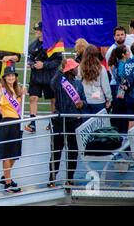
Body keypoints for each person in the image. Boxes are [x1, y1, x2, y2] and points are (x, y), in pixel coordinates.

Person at [48, 59, 86, 187]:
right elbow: (52, 84)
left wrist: (82, 103)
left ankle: (70, 178)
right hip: (59, 121)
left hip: (74, 121)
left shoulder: (79, 84)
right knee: (56, 150)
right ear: (70, 70)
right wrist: (60, 69)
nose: (77, 69)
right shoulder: (59, 82)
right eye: (75, 67)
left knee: (73, 151)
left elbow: (84, 100)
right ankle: (52, 178)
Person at [0, 65, 23, 193]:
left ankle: (6, 176)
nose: (11, 77)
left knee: (14, 154)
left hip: (16, 122)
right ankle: (8, 184)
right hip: (7, 123)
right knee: (7, 155)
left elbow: (19, 106)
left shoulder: (17, 89)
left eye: (13, 75)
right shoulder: (2, 90)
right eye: (8, 75)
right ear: (4, 78)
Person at [25, 21, 62, 133]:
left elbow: (58, 61)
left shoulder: (54, 44)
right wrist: (30, 63)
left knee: (53, 100)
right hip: (36, 77)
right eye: (36, 29)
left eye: (37, 29)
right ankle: (32, 123)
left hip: (50, 77)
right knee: (33, 98)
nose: (35, 31)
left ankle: (53, 122)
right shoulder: (32, 45)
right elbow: (29, 58)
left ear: (43, 31)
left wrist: (44, 65)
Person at [79, 45, 112, 114]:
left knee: (86, 124)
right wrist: (109, 99)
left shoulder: (80, 68)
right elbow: (105, 85)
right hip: (98, 100)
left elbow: (77, 83)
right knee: (99, 123)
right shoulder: (101, 68)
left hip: (85, 99)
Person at [108, 44, 130, 133]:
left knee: (119, 118)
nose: (129, 53)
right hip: (123, 95)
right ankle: (124, 137)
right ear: (123, 55)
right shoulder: (123, 66)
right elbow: (123, 79)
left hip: (118, 93)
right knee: (124, 118)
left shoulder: (116, 65)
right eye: (127, 51)